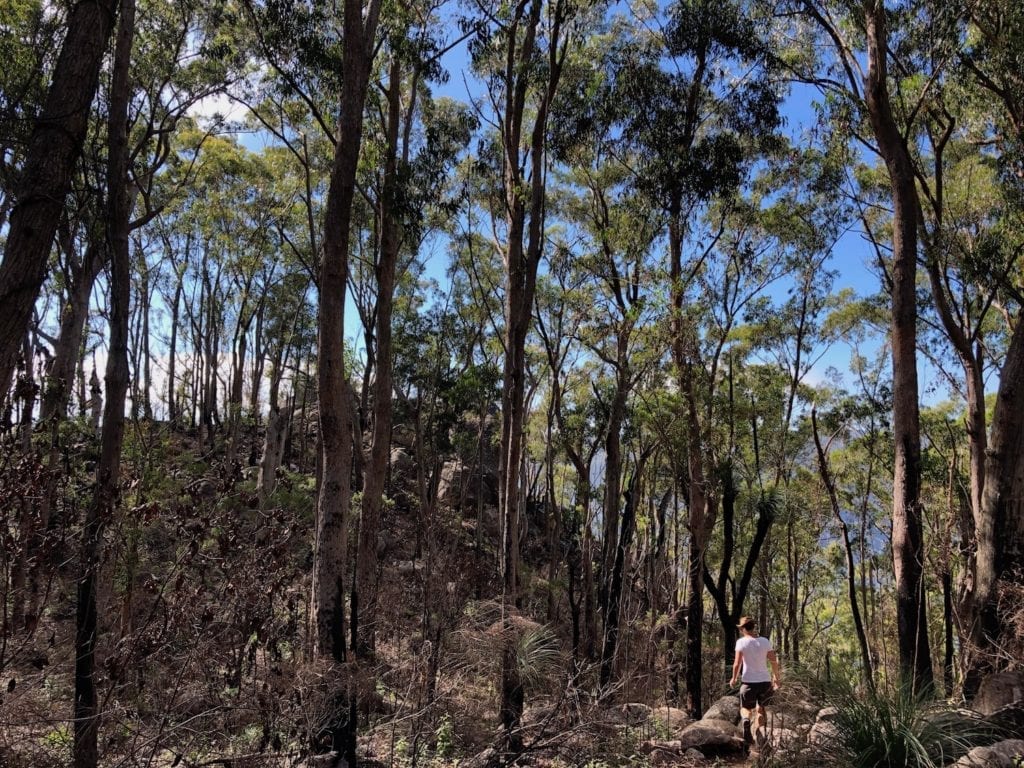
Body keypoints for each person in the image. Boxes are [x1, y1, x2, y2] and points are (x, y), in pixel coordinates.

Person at [729, 616, 780, 752]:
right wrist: (776, 678)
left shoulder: (741, 642)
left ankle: (746, 720)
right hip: (765, 682)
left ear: (743, 629)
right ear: (753, 627)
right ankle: (760, 741)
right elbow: (774, 661)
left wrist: (733, 679)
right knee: (761, 709)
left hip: (748, 682)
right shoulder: (764, 641)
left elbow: (737, 663)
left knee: (745, 708)